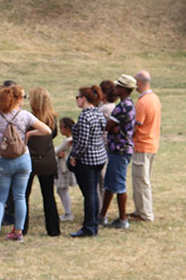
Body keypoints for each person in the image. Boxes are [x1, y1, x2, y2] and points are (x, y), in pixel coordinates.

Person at [0, 84, 52, 242]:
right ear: (17, 99)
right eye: (23, 97)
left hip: (3, 160)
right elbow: (47, 130)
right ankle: (18, 231)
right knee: (20, 196)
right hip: (22, 158)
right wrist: (29, 134)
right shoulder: (25, 116)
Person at [68, 85, 108, 238]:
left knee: (89, 194)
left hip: (88, 160)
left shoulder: (85, 116)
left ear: (83, 99)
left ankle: (89, 227)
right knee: (94, 193)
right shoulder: (98, 113)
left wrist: (74, 156)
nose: (77, 100)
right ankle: (93, 224)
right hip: (99, 157)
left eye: (78, 97)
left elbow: (83, 142)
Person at [99, 74, 136, 229]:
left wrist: (112, 127)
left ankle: (122, 219)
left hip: (119, 149)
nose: (115, 89)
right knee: (109, 184)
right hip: (120, 148)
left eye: (118, 86)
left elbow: (107, 126)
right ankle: (102, 215)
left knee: (119, 185)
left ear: (123, 89)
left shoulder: (122, 107)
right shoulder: (129, 104)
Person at [22, 87, 60, 237]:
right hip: (47, 160)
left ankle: (22, 227)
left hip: (30, 160)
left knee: (24, 195)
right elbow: (53, 135)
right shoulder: (52, 119)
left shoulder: (29, 119)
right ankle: (53, 229)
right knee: (49, 196)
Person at [131, 71, 161, 222]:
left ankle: (146, 214)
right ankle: (140, 210)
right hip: (152, 144)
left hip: (142, 145)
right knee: (143, 179)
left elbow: (137, 126)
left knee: (141, 181)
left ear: (140, 83)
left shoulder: (143, 102)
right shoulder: (154, 98)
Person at [54, 117, 77, 221]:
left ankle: (68, 213)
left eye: (61, 128)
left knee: (62, 190)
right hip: (66, 168)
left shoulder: (67, 141)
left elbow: (56, 151)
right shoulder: (73, 139)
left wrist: (56, 151)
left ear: (67, 128)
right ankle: (68, 212)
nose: (60, 130)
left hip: (64, 169)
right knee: (61, 190)